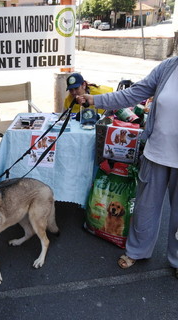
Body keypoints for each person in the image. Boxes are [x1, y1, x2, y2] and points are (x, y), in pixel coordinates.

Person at [78, 56, 178, 279]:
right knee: (145, 209)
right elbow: (133, 93)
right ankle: (137, 251)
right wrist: (94, 100)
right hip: (156, 152)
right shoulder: (168, 68)